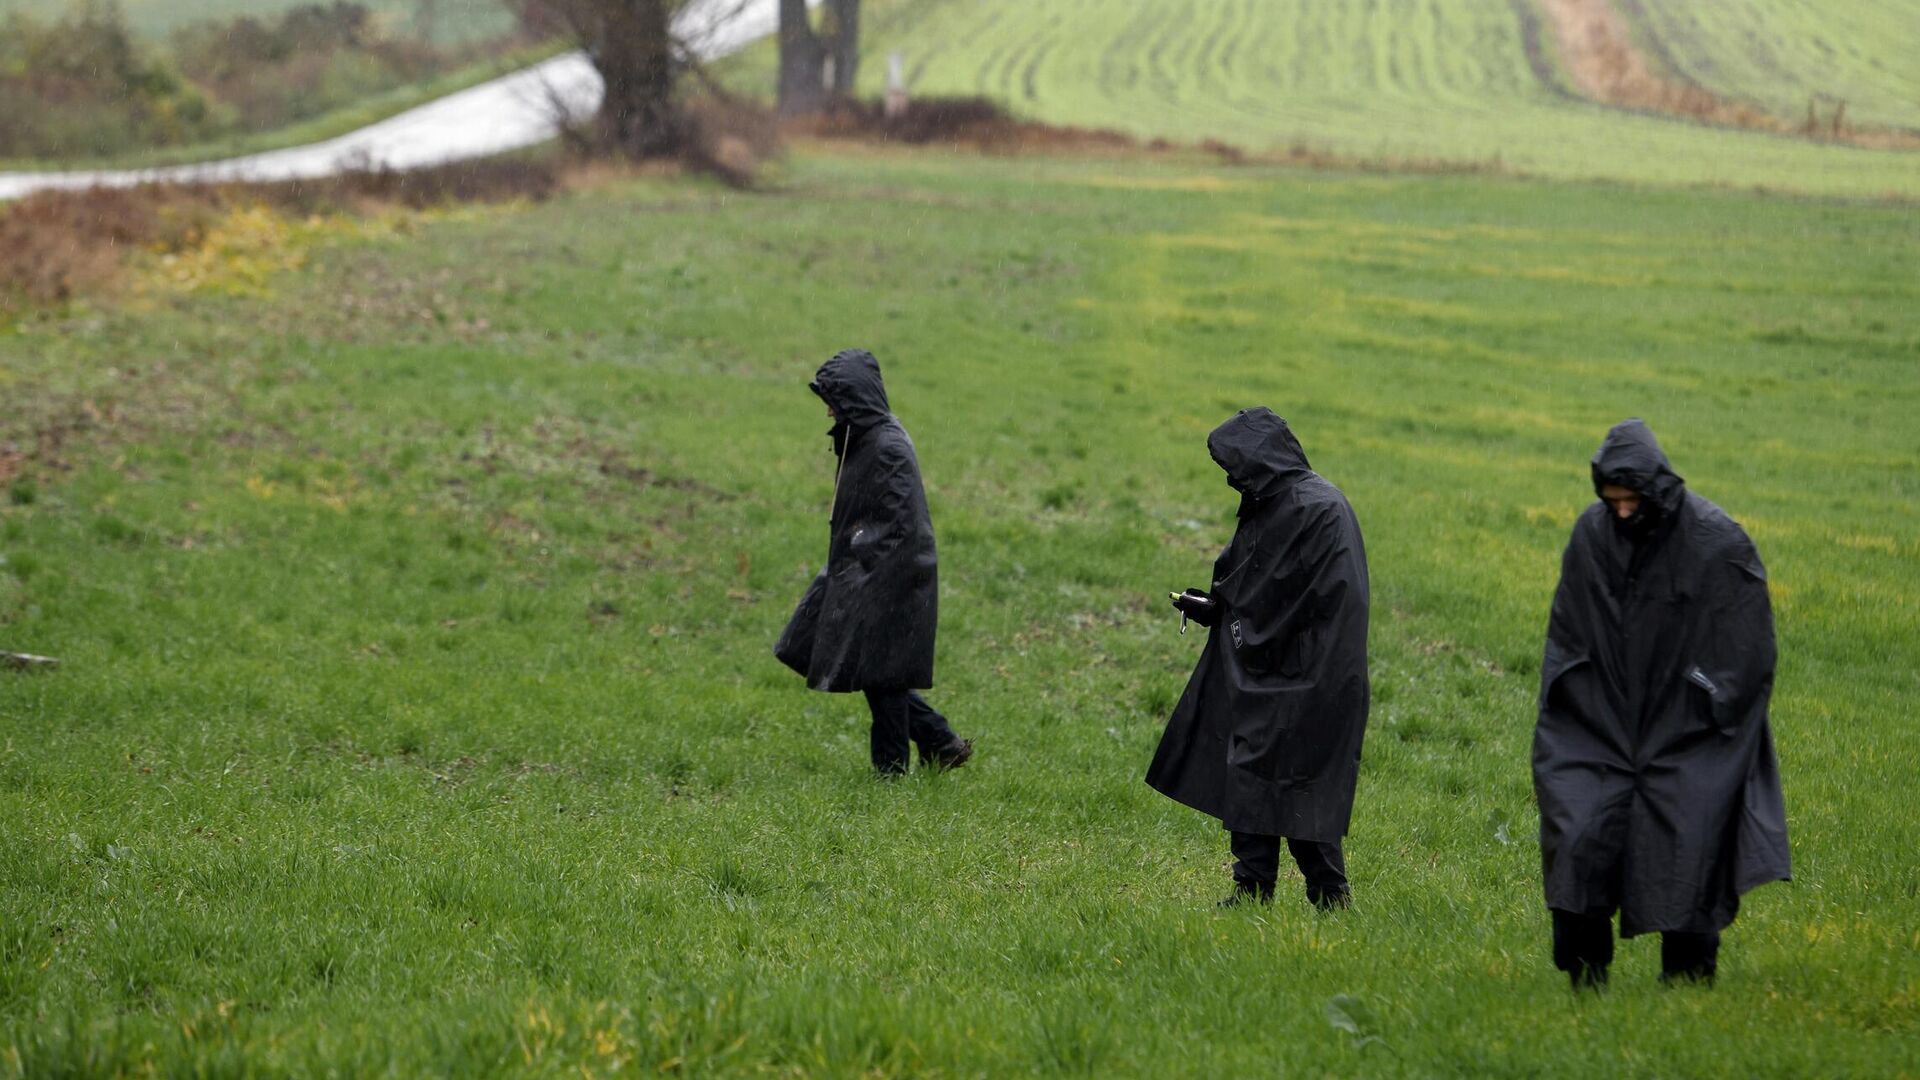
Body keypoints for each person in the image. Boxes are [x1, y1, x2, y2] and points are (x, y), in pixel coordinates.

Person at [1534, 419, 1789, 989]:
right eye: (1611, 500)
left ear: (1658, 491)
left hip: (1690, 731)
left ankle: (1688, 983)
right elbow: (1567, 637)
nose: (1622, 511)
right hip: (1597, 728)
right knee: (1579, 838)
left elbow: (1748, 651)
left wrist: (1702, 703)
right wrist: (1576, 710)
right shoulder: (1590, 536)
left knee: (1689, 846)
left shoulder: (1719, 542)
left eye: (1632, 500)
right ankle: (1585, 977)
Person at [1146, 408, 1370, 909]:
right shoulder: (1277, 501)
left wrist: (1240, 618)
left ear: (1261, 460)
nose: (1231, 478)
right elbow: (1258, 586)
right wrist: (1215, 608)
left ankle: (1330, 895)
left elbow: (1295, 598)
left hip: (1310, 675)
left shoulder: (1313, 508)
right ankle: (1252, 891)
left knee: (1296, 785)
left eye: (1236, 466)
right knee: (1251, 775)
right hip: (1275, 667)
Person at [775, 348, 972, 776]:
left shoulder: (886, 446)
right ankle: (940, 741)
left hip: (885, 577)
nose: (828, 411)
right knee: (828, 653)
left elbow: (902, 525)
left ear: (854, 399)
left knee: (881, 673)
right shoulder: (863, 438)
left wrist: (865, 574)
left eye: (834, 400)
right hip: (860, 570)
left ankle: (892, 772)